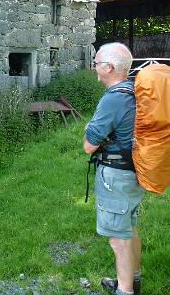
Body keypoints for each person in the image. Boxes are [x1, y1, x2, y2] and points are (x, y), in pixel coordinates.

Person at [83, 42, 144, 295]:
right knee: (128, 228)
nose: (94, 66)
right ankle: (133, 279)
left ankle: (125, 290)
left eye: (96, 62)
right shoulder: (132, 90)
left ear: (108, 68)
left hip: (116, 176)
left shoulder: (113, 99)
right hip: (132, 172)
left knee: (118, 239)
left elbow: (88, 145)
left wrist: (90, 130)